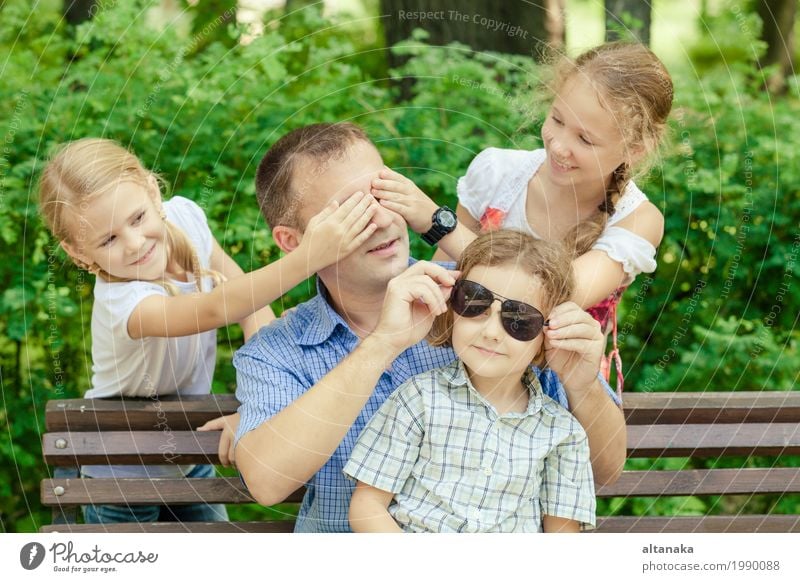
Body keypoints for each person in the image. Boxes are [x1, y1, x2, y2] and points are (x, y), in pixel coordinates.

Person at [234, 122, 626, 533]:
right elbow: (267, 482)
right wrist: (383, 344)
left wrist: (581, 386)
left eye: (382, 193)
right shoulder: (278, 350)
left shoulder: (485, 303)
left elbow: (606, 469)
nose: (383, 219)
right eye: (351, 211)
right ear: (293, 242)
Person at [38, 137, 379, 524]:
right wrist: (308, 257)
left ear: (152, 190)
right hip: (119, 469)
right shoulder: (122, 301)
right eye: (108, 239)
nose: (134, 244)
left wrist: (258, 405)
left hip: (188, 455)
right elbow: (217, 307)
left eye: (137, 218)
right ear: (78, 253)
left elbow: (252, 308)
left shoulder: (185, 217)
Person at [370, 42, 673, 395]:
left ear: (633, 150)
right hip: (455, 375)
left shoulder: (637, 220)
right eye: (557, 119)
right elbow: (441, 288)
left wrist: (437, 222)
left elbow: (554, 291)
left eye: (585, 140)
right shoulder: (498, 174)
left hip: (557, 395)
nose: (559, 145)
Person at [345, 231, 598, 533]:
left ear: (549, 334)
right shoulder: (419, 399)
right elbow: (367, 507)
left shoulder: (562, 433)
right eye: (475, 303)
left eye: (519, 319)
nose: (491, 331)